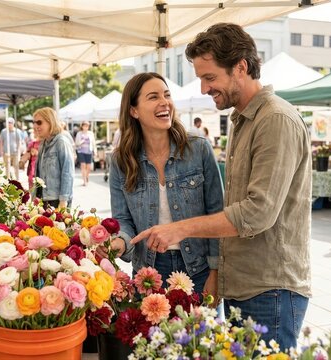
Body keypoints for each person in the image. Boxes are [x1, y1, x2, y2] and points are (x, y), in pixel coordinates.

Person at [128, 23, 312, 350]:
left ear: (240, 67)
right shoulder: (244, 120)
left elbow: (257, 213)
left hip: (270, 289)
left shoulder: (275, 120)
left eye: (209, 78)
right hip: (246, 285)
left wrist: (180, 229)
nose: (202, 89)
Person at [101, 72, 223, 297]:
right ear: (134, 110)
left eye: (167, 95)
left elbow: (217, 214)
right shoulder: (121, 161)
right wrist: (118, 242)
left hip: (198, 270)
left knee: (201, 333)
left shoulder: (199, 150)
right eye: (153, 97)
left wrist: (215, 272)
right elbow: (123, 221)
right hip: (148, 273)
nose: (164, 102)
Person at [32, 107, 75, 209]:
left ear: (50, 122)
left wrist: (63, 201)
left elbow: (68, 173)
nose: (35, 126)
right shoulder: (43, 143)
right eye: (34, 122)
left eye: (39, 122)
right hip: (43, 199)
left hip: (57, 200)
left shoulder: (61, 142)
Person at [75, 121, 96, 186]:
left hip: (89, 151)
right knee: (83, 166)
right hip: (81, 151)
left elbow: (93, 143)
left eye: (87, 126)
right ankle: (84, 181)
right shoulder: (79, 133)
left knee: (89, 167)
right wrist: (81, 142)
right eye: (85, 126)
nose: (86, 127)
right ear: (82, 126)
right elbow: (76, 143)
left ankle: (87, 176)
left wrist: (95, 151)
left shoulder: (91, 133)